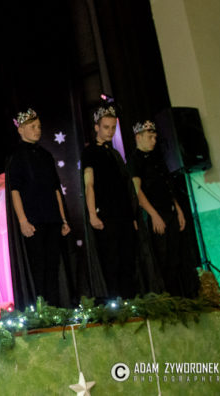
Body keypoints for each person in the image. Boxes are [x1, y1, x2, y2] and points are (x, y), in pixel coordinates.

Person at [6, 109, 71, 308]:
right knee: (38, 267)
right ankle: (40, 311)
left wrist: (63, 219)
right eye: (32, 126)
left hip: (52, 218)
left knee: (53, 267)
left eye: (39, 126)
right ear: (21, 129)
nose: (37, 130)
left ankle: (55, 309)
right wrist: (22, 220)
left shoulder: (46, 155)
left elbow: (55, 189)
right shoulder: (16, 156)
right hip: (33, 220)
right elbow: (15, 191)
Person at [128, 120, 199, 297]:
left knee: (176, 258)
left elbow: (168, 187)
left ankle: (180, 296)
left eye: (155, 137)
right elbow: (137, 192)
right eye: (150, 137)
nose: (153, 141)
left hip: (170, 211)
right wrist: (154, 215)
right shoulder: (135, 160)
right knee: (162, 259)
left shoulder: (157, 158)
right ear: (138, 137)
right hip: (155, 214)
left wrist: (178, 209)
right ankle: (165, 298)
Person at [82, 106, 139, 299]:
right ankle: (114, 303)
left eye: (113, 127)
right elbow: (89, 184)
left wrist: (132, 217)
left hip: (124, 215)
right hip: (106, 215)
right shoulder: (90, 152)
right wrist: (92, 214)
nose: (110, 131)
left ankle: (130, 301)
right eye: (106, 127)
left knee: (128, 260)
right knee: (111, 260)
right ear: (96, 127)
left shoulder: (115, 153)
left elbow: (125, 187)